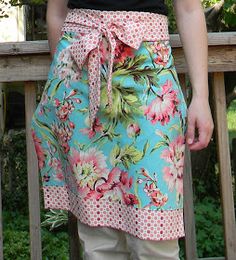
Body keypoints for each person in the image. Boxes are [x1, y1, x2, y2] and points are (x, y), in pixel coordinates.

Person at [31, 0, 214, 259]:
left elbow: (189, 9)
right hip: (82, 77)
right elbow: (57, 13)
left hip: (148, 79)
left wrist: (201, 97)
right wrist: (68, 81)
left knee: (155, 238)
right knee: (98, 240)